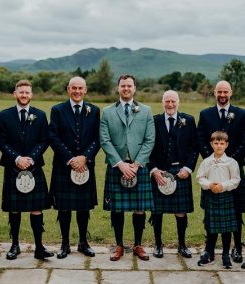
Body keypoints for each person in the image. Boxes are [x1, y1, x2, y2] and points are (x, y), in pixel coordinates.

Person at [100, 74, 155, 261]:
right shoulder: (107, 112)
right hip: (117, 166)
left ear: (135, 88)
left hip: (139, 166)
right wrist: (121, 164)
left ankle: (138, 245)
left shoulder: (146, 111)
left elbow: (150, 140)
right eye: (123, 86)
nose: (126, 89)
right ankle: (119, 245)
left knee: (140, 209)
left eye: (129, 86)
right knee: (117, 209)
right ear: (118, 88)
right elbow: (104, 141)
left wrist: (137, 164)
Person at [0, 79, 53, 261]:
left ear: (32, 94)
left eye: (27, 92)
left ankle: (39, 246)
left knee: (36, 208)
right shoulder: (5, 115)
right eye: (21, 92)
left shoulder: (40, 114)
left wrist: (31, 158)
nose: (24, 95)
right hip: (13, 167)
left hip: (34, 166)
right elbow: (1, 141)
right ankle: (15, 245)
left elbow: (44, 140)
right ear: (15, 93)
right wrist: (17, 158)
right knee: (14, 209)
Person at [48, 76, 100, 259]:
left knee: (83, 207)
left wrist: (85, 157)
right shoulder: (58, 110)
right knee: (64, 207)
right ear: (68, 89)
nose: (77, 91)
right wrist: (71, 159)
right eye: (74, 88)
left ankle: (83, 243)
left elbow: (97, 138)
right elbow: (53, 137)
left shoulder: (93, 110)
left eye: (80, 88)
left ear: (85, 90)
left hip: (85, 166)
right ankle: (64, 244)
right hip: (65, 166)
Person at [197, 80, 245, 266]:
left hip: (234, 169)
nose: (222, 95)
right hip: (211, 170)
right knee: (210, 212)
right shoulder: (206, 114)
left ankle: (236, 249)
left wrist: (229, 159)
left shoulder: (241, 114)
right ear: (215, 93)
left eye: (226, 91)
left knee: (236, 211)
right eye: (219, 92)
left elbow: (244, 141)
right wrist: (213, 159)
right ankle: (209, 249)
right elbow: (200, 138)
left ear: (231, 92)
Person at [149, 90, 198, 259]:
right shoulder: (154, 121)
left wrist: (188, 168)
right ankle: (157, 244)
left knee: (181, 211)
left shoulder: (189, 120)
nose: (170, 105)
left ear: (178, 102)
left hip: (180, 171)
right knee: (157, 211)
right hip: (160, 172)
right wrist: (153, 169)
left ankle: (182, 245)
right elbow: (148, 147)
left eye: (173, 101)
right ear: (162, 102)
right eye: (167, 101)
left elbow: (194, 148)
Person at [197, 131, 240, 268]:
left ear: (226, 145)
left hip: (225, 196)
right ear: (211, 144)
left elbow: (236, 180)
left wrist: (223, 186)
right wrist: (209, 185)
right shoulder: (206, 161)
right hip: (211, 196)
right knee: (211, 228)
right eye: (216, 143)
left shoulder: (231, 162)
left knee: (226, 229)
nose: (219, 146)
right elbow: (200, 177)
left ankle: (226, 254)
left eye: (222, 143)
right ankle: (209, 252)